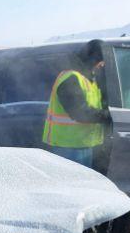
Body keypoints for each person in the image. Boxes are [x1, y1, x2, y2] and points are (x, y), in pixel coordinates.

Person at [43, 40, 111, 171]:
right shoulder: (71, 78)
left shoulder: (88, 78)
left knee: (80, 188)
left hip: (83, 145)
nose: (102, 66)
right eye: (101, 62)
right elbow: (80, 113)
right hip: (67, 148)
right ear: (95, 59)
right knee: (70, 188)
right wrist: (109, 116)